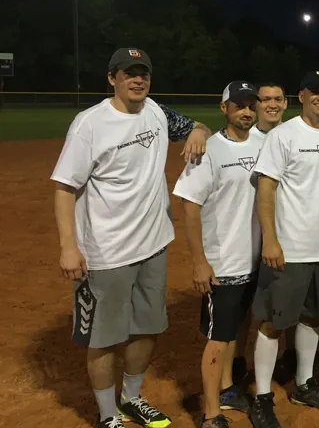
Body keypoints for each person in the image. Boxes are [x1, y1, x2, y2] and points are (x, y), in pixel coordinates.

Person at [51, 48, 212, 428]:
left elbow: (198, 126)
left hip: (153, 246)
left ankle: (131, 397)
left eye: (144, 74)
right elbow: (64, 187)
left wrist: (199, 132)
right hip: (107, 252)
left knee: (148, 328)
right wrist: (68, 246)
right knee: (104, 337)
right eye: (129, 73)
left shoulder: (156, 112)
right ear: (113, 78)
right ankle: (108, 415)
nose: (138, 80)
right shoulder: (90, 124)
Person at [249, 71, 319, 428]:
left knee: (312, 317)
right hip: (289, 248)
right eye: (314, 91)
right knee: (273, 322)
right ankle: (262, 396)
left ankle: (303, 384)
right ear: (301, 96)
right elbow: (266, 188)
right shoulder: (283, 135)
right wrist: (270, 239)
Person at [173, 81, 264, 428]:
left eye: (251, 105)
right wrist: (200, 262)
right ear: (224, 108)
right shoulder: (208, 150)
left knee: (237, 328)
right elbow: (190, 207)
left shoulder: (264, 144)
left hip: (253, 259)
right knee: (219, 338)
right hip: (223, 264)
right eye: (239, 105)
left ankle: (226, 389)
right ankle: (211, 413)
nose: (246, 111)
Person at [238, 80, 289, 383]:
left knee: (288, 304)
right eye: (265, 99)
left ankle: (289, 358)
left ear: (286, 103)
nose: (272, 104)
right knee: (244, 307)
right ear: (256, 104)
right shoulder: (244, 138)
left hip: (288, 239)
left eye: (277, 99)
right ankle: (237, 363)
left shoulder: (294, 135)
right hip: (248, 237)